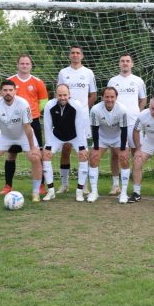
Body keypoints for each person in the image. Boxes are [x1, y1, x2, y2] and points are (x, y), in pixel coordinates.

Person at [0, 80, 42, 203]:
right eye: (5, 90)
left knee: (36, 157)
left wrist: (33, 147)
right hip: (4, 136)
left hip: (23, 136)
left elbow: (27, 127)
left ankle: (36, 192)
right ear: (0, 92)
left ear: (15, 91)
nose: (8, 92)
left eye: (10, 90)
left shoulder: (23, 104)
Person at [2, 54, 48, 196]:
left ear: (31, 65)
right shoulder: (10, 81)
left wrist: (32, 113)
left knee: (37, 154)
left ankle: (41, 185)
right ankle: (8, 185)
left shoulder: (38, 82)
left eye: (27, 63)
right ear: (17, 65)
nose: (24, 66)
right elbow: (3, 99)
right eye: (22, 63)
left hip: (32, 122)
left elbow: (44, 101)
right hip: (14, 123)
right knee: (11, 154)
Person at [55, 45, 97, 194]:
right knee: (65, 149)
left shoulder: (88, 73)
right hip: (65, 118)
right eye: (72, 53)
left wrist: (82, 109)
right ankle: (64, 184)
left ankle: (83, 185)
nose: (75, 55)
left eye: (78, 53)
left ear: (82, 56)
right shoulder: (63, 73)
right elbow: (58, 93)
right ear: (69, 55)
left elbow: (93, 95)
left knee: (83, 151)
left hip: (83, 119)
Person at [40, 84, 89, 202]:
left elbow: (80, 127)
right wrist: (48, 146)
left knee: (83, 156)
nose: (62, 97)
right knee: (45, 156)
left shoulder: (76, 105)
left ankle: (79, 191)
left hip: (75, 136)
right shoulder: (49, 105)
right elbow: (47, 126)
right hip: (57, 136)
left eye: (65, 95)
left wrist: (82, 147)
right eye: (60, 95)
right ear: (55, 95)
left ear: (69, 95)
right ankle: (51, 191)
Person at [107, 54, 147, 195]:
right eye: (122, 61)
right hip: (116, 124)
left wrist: (137, 113)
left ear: (132, 64)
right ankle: (115, 185)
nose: (125, 63)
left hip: (133, 123)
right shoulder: (113, 81)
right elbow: (108, 99)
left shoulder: (138, 81)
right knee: (115, 154)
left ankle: (136, 186)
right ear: (119, 64)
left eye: (127, 61)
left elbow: (143, 99)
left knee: (137, 153)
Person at [88, 87, 131, 204]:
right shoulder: (95, 110)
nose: (109, 99)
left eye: (112, 97)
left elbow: (124, 130)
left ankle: (123, 192)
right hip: (102, 138)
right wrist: (96, 148)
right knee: (93, 158)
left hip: (118, 138)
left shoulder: (122, 110)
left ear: (116, 98)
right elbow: (95, 130)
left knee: (124, 159)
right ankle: (94, 192)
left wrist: (123, 149)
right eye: (107, 97)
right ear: (102, 97)